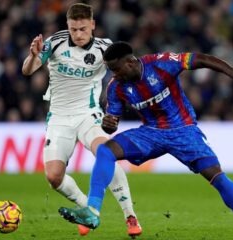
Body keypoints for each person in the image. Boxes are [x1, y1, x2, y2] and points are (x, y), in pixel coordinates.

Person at [58, 42, 233, 240]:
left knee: (216, 176)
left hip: (183, 130)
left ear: (131, 62)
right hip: (151, 133)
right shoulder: (116, 87)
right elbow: (110, 123)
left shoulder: (161, 63)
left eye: (117, 69)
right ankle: (92, 211)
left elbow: (202, 59)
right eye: (111, 70)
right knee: (106, 150)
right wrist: (109, 125)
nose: (115, 75)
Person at [21, 4, 142, 237]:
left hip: (89, 115)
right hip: (58, 119)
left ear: (93, 25)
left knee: (106, 153)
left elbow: (128, 72)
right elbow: (28, 71)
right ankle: (88, 209)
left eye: (83, 29)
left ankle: (130, 216)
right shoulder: (55, 42)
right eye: (73, 29)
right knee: (53, 177)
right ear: (67, 25)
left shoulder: (104, 49)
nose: (77, 34)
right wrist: (32, 56)